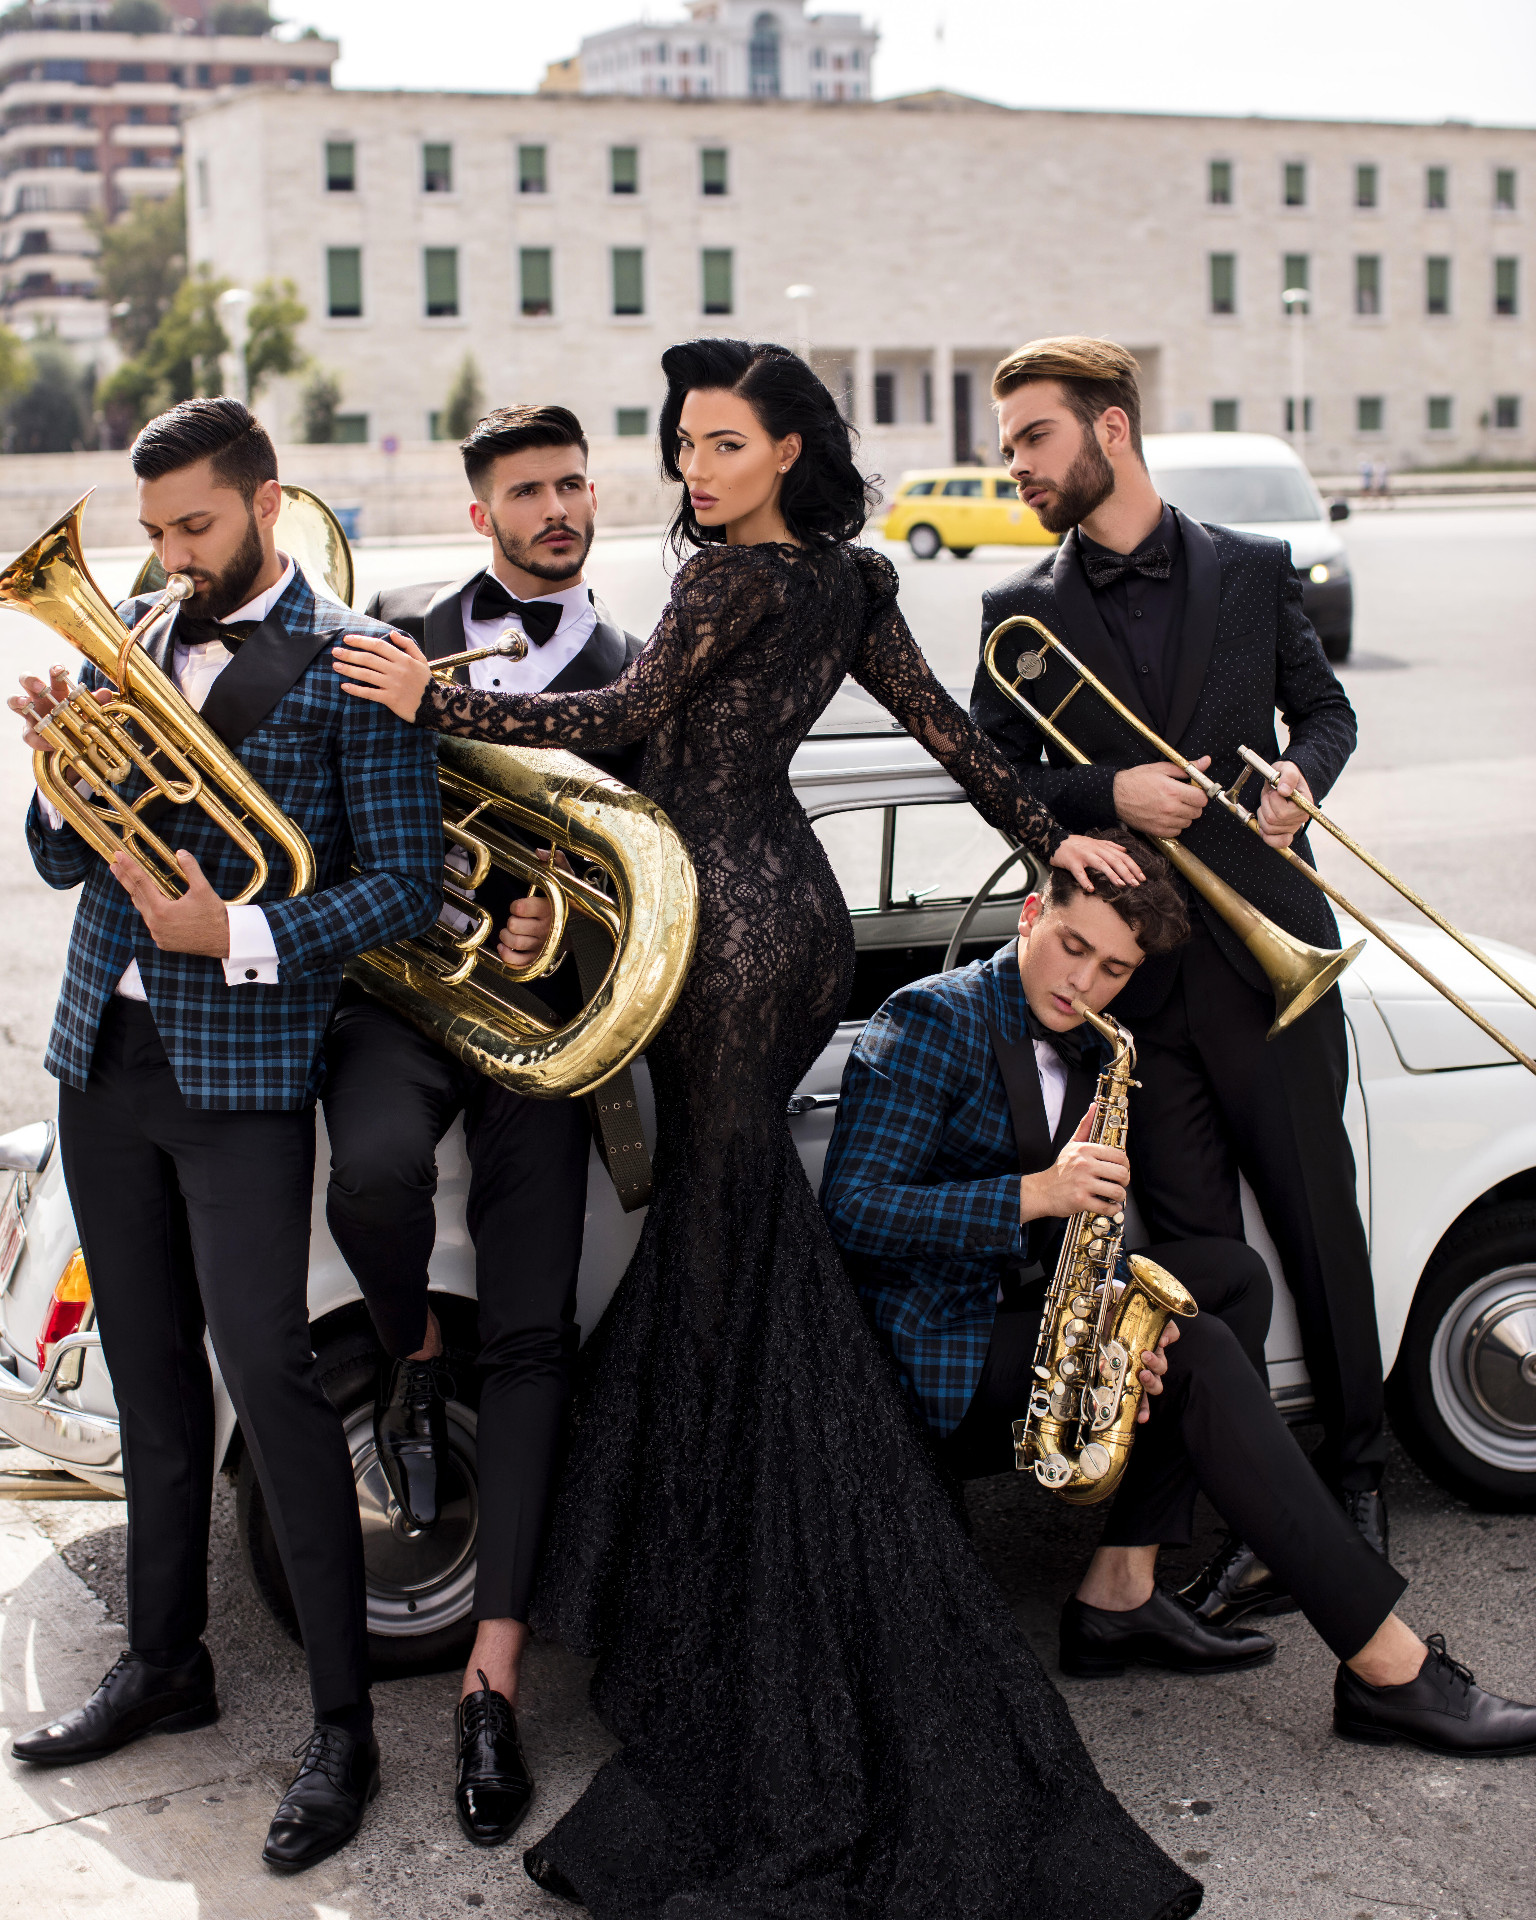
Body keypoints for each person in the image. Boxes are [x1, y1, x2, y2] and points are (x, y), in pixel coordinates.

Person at [334, 338, 1205, 1920]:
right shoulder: (853, 584)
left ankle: (743, 1576)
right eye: (683, 445)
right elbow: (956, 741)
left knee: (728, 1240)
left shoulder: (727, 580)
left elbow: (620, 713)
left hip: (717, 930)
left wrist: (430, 692)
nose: (696, 470)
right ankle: (705, 1550)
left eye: (723, 444)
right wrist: (1056, 836)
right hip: (790, 915)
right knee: (727, 1234)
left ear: (790, 449)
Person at [820, 834, 1536, 1757]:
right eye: (1073, 947)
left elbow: (1082, 1234)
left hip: (1014, 1314)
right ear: (1032, 915)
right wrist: (1035, 1194)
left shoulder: (1093, 1043)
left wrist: (1115, 1303)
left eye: (1115, 970)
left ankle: (1120, 1590)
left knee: (1228, 1280)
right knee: (1194, 1353)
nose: (1085, 983)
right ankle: (1390, 1670)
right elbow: (854, 1213)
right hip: (929, 1352)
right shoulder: (931, 1018)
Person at [5, 399, 442, 1871]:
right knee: (148, 1385)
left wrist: (241, 933)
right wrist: (68, 773)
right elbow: (59, 855)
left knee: (272, 1379)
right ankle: (167, 1662)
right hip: (102, 1056)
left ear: (265, 501)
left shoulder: (354, 658)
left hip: (242, 1071)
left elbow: (402, 886)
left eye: (194, 525)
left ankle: (343, 1727)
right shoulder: (131, 630)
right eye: (154, 531)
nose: (170, 556)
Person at [968, 336, 1388, 1627]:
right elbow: (992, 779)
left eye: (1033, 437)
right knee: (1203, 1263)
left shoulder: (1252, 570)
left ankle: (1359, 1486)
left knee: (1319, 1227)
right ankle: (1242, 1510)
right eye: (1009, 445)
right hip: (1137, 1000)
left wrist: (1303, 776)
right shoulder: (1017, 613)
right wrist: (1108, 793)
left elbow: (1327, 713)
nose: (1016, 465)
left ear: (1111, 430)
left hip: (1270, 963)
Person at [321, 403, 647, 1849]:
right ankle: (409, 1347)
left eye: (573, 484)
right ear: (481, 515)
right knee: (376, 1180)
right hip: (400, 1004)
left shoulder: (634, 667)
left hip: (536, 1030)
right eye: (528, 491)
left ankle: (492, 1679)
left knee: (533, 1336)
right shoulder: (394, 635)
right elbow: (324, 818)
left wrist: (550, 928)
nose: (558, 508)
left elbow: (646, 875)